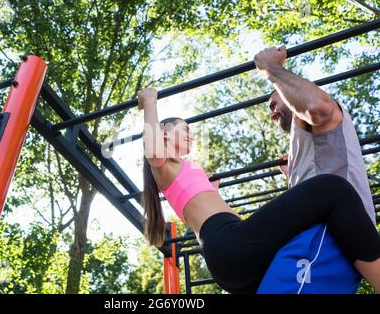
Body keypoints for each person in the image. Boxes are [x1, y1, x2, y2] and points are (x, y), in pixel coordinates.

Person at [138, 87, 380, 294]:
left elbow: (200, 205)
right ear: (165, 134)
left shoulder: (182, 170)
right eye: (185, 129)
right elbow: (153, 152)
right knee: (333, 188)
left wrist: (214, 190)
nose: (191, 135)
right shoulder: (164, 164)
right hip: (228, 244)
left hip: (229, 258)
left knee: (298, 251)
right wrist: (150, 101)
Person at [253, 46, 377, 293]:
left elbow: (315, 105)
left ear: (287, 92)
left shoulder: (313, 113)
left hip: (326, 235)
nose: (272, 113)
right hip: (330, 238)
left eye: (272, 103)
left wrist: (271, 69)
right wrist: (292, 176)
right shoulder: (302, 139)